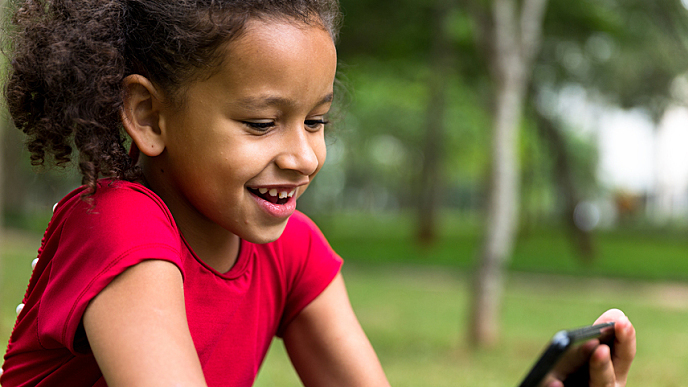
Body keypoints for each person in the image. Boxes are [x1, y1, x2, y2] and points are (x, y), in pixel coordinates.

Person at [0, 0, 634, 386]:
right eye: (259, 123)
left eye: (316, 120)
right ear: (149, 116)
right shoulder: (117, 227)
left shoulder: (291, 248)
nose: (304, 156)